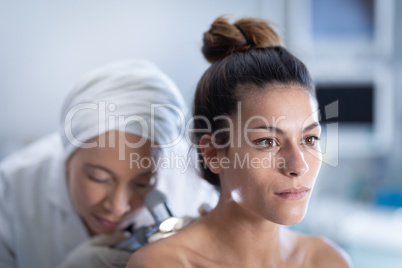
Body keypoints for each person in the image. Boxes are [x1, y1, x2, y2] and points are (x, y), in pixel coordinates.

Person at [127, 17, 353, 267]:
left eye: (309, 138)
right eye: (268, 142)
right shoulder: (163, 264)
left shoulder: (327, 260)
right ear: (213, 154)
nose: (299, 166)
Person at [0, 59, 218, 268]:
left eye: (144, 183)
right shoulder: (10, 191)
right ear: (67, 160)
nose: (118, 207)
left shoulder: (195, 183)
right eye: (99, 178)